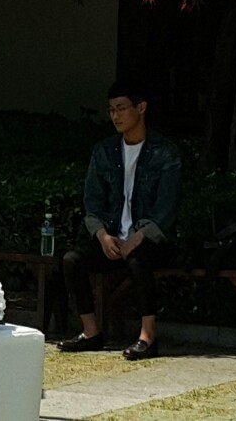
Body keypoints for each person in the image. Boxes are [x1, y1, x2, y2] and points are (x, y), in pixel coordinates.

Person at [57, 80, 181, 360]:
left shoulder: (164, 152)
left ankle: (148, 336)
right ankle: (91, 332)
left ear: (141, 108)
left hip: (152, 241)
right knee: (72, 260)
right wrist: (102, 235)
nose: (115, 115)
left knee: (138, 258)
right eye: (111, 110)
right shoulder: (104, 151)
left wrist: (139, 236)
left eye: (122, 108)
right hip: (113, 238)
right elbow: (92, 203)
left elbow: (167, 208)